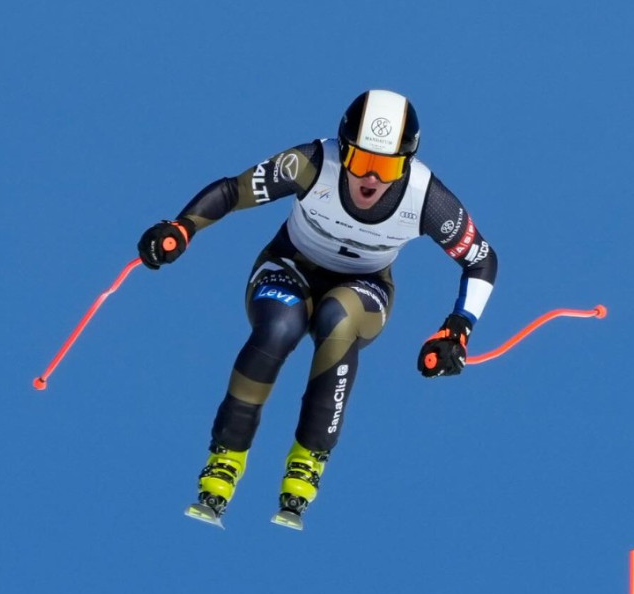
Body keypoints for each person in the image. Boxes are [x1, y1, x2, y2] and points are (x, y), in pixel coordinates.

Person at [137, 89, 498, 529]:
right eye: (362, 161)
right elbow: (234, 191)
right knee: (279, 326)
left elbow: (480, 259)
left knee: (338, 317)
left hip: (366, 285)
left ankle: (307, 463)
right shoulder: (310, 163)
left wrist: (458, 327)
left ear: (407, 163)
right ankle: (225, 460)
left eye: (387, 167)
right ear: (342, 149)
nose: (372, 179)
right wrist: (181, 227)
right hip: (290, 265)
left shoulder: (426, 198)